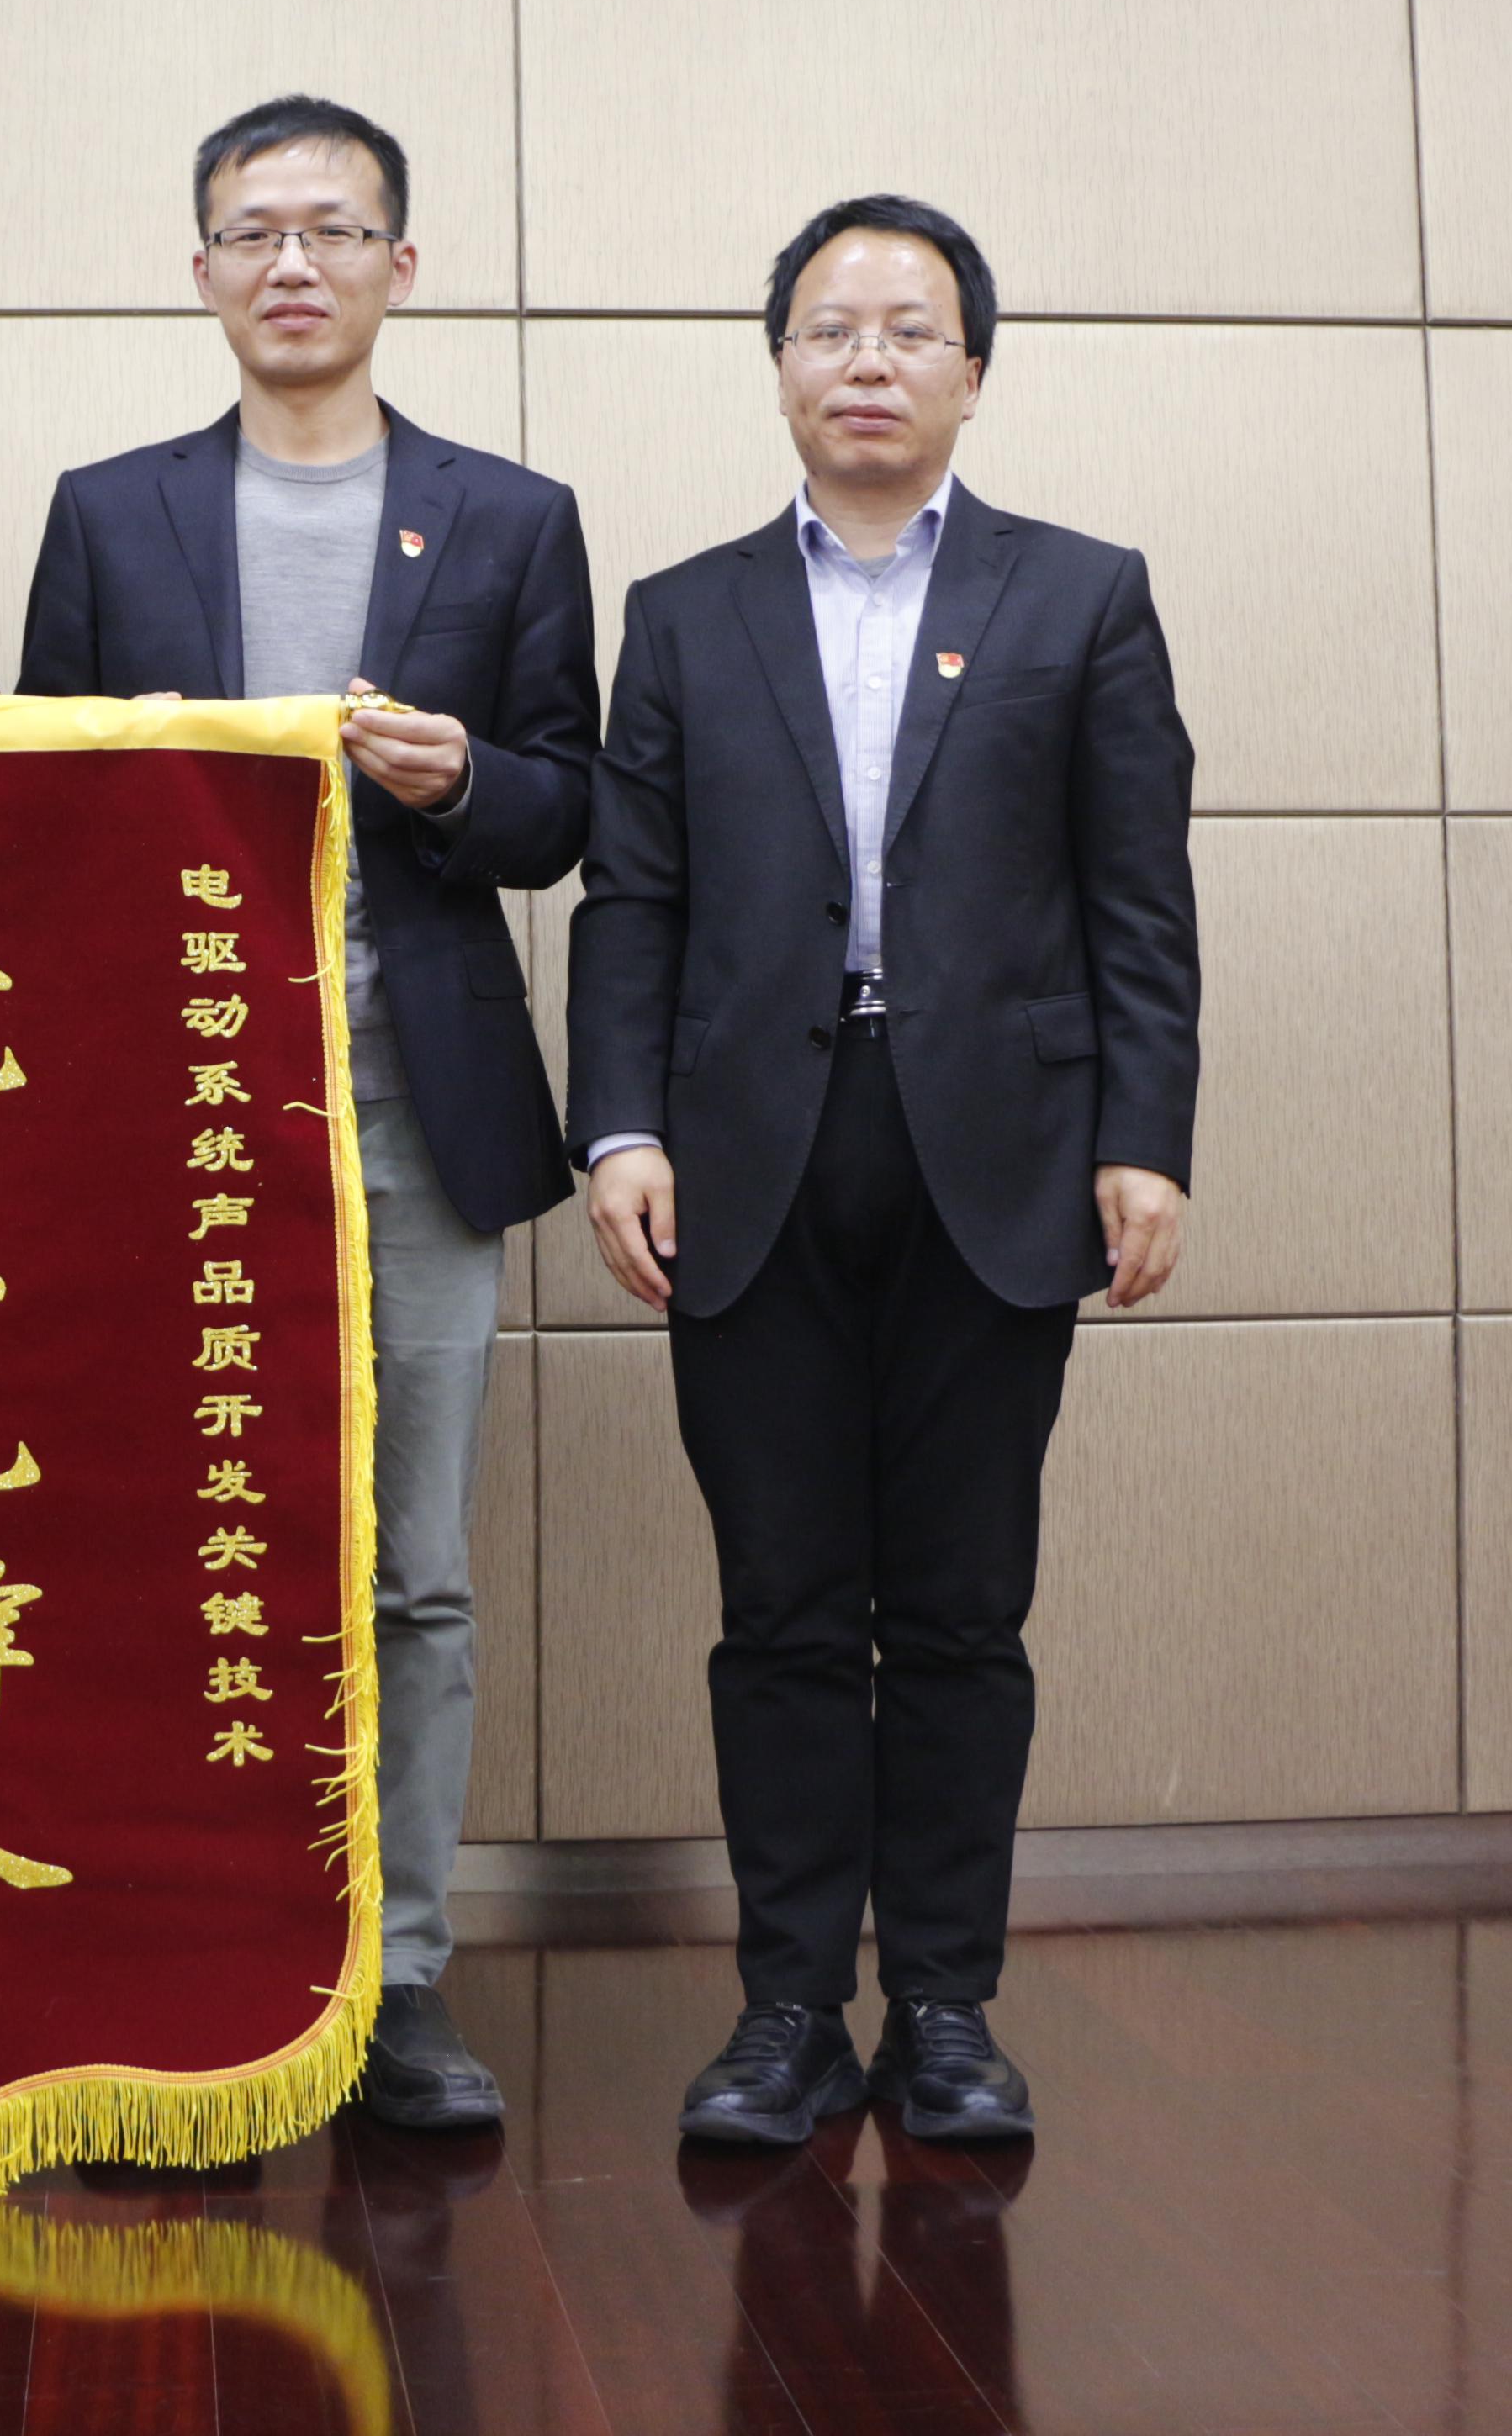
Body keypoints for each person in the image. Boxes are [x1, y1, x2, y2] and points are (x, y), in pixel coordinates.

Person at [563, 195, 1196, 2148]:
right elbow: (632, 900)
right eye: (830, 328)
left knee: (958, 1609)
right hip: (747, 1157)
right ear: (778, 368)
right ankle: (782, 2012)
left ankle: (941, 2008)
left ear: (973, 374)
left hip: (998, 1155)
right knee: (779, 1606)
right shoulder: (684, 612)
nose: (867, 361)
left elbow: (1139, 899)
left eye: (910, 330)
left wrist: (1144, 1140)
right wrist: (620, 1127)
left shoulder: (1080, 596)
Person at [14, 94, 599, 2128]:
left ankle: (401, 1973)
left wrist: (463, 781)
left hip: (413, 1090)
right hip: (164, 1099)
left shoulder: (509, 517)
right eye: (253, 231)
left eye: (334, 229)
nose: (293, 264)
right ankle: (175, 1951)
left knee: (411, 1558)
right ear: (201, 271)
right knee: (159, 1538)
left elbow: (570, 807)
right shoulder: (111, 513)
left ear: (398, 268)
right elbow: (37, 809)